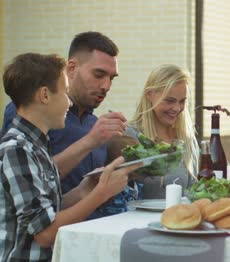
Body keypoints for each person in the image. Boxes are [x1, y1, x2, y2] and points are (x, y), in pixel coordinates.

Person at [0, 53, 141, 262]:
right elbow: (45, 234)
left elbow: (45, 211)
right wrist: (101, 194)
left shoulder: (37, 145)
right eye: (65, 93)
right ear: (45, 95)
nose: (68, 102)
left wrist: (84, 190)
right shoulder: (17, 148)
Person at [1, 31, 135, 219]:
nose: (106, 86)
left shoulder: (95, 124)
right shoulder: (30, 111)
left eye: (112, 78)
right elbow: (24, 175)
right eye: (99, 74)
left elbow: (83, 192)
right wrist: (90, 141)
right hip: (46, 241)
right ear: (71, 69)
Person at [129, 64, 199, 198]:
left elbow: (192, 191)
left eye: (182, 101)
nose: (177, 108)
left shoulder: (186, 138)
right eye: (169, 101)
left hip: (180, 217)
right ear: (150, 95)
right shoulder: (131, 136)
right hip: (139, 219)